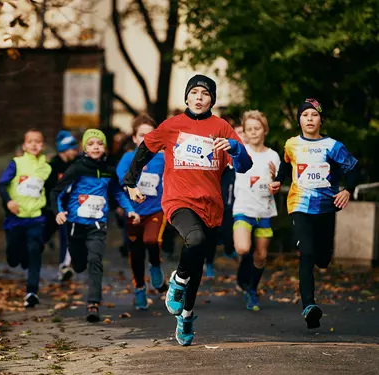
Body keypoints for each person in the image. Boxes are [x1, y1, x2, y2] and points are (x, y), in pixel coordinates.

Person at [123, 74, 252, 346]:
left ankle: (187, 314)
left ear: (211, 100)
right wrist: (130, 179)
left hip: (211, 204)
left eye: (205, 94)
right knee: (194, 239)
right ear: (187, 97)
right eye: (194, 92)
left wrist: (235, 148)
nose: (199, 97)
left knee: (198, 264)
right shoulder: (173, 125)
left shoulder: (221, 127)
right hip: (178, 200)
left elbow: (244, 166)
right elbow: (145, 148)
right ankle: (177, 280)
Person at [269, 98, 359, 329]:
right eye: (305, 115)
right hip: (299, 205)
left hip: (327, 207)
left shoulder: (333, 146)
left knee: (322, 259)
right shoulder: (291, 144)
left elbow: (353, 168)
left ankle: (323, 256)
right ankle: (309, 307)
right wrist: (278, 181)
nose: (309, 119)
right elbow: (286, 165)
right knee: (306, 254)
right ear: (299, 120)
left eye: (314, 115)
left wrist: (347, 190)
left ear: (321, 120)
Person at [51, 129, 140, 323]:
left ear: (104, 147)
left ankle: (93, 304)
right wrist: (58, 211)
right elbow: (57, 191)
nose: (95, 147)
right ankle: (75, 263)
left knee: (95, 260)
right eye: (91, 144)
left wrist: (129, 209)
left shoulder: (109, 169)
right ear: (84, 148)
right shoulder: (77, 168)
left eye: (99, 144)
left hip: (97, 224)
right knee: (81, 264)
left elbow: (117, 192)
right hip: (76, 224)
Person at [117, 114, 167, 310]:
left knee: (151, 240)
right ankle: (139, 288)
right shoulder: (128, 157)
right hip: (134, 212)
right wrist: (131, 188)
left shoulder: (162, 158)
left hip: (156, 209)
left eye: (150, 134)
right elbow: (121, 178)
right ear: (134, 138)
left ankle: (155, 266)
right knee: (136, 253)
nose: (146, 138)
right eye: (141, 135)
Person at [0, 129, 52, 308]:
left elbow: (52, 190)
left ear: (42, 146)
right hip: (16, 218)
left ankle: (31, 291)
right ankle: (19, 257)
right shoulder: (16, 163)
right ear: (24, 146)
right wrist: (9, 202)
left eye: (38, 141)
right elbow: (1, 186)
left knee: (35, 249)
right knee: (14, 257)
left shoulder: (47, 168)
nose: (34, 144)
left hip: (36, 217)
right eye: (30, 141)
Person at [232, 110, 280, 311]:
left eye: (257, 128)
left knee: (261, 257)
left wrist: (274, 183)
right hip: (243, 209)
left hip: (265, 211)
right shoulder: (239, 151)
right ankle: (245, 265)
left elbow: (277, 183)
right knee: (243, 248)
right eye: (248, 129)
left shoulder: (273, 156)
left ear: (265, 130)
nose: (253, 132)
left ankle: (252, 290)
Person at [204, 121, 245, 278]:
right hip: (218, 201)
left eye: (243, 132)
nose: (241, 136)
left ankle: (230, 251)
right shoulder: (222, 153)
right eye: (238, 132)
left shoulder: (249, 155)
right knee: (212, 234)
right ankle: (209, 263)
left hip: (239, 204)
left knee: (230, 232)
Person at [43, 130, 79, 282]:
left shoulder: (76, 165)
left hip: (69, 209)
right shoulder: (53, 166)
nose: (75, 151)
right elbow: (47, 188)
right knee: (43, 235)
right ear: (64, 150)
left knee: (68, 236)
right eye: (72, 149)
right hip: (53, 209)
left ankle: (65, 266)